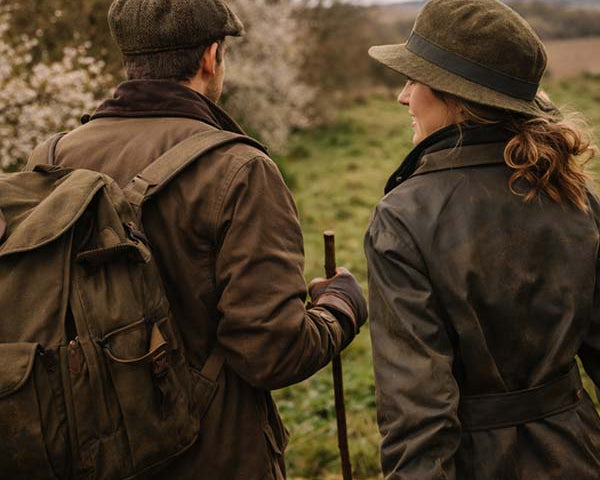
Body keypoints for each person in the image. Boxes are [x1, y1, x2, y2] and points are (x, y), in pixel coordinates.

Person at [32, 0, 367, 478]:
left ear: (130, 59)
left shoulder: (49, 158)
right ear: (211, 57)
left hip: (78, 456)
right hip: (211, 457)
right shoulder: (240, 170)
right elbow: (271, 354)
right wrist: (341, 307)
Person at [365, 0, 600, 478]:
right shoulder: (575, 195)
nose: (403, 96)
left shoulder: (404, 218)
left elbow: (417, 416)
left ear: (455, 97)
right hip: (579, 454)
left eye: (415, 79)